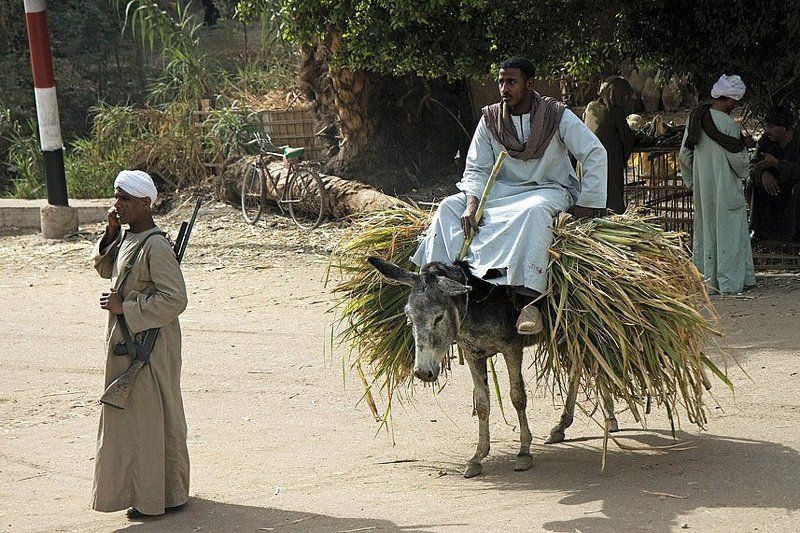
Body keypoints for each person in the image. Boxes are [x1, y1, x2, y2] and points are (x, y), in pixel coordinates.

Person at [412, 57, 607, 334]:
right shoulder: (490, 119)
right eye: (501, 82)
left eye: (512, 82)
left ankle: (530, 302)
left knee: (534, 212)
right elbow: (477, 168)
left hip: (547, 189)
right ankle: (432, 289)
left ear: (530, 84)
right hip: (500, 194)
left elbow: (594, 152)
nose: (504, 88)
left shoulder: (557, 115)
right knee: (447, 207)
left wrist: (587, 204)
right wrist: (471, 204)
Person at [92, 170, 190, 519]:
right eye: (116, 197)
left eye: (125, 199)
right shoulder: (128, 238)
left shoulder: (156, 245)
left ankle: (163, 496)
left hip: (150, 346)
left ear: (145, 203)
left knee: (152, 420)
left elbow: (175, 299)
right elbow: (106, 269)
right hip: (127, 343)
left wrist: (127, 309)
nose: (117, 205)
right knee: (134, 423)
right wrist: (110, 232)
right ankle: (148, 492)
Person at [679, 74, 756, 294]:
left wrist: (693, 181)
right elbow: (740, 164)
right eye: (735, 102)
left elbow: (685, 155)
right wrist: (746, 151)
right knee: (729, 235)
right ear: (730, 100)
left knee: (707, 232)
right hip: (726, 189)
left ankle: (708, 283)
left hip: (704, 191)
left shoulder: (694, 119)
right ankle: (730, 284)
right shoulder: (729, 124)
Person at [584, 75, 638, 214]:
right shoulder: (614, 112)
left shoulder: (591, 108)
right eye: (626, 97)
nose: (628, 101)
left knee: (593, 202)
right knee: (612, 203)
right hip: (608, 165)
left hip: (587, 164)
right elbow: (628, 138)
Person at [748, 105, 800, 242]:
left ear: (784, 127)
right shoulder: (765, 141)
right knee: (751, 183)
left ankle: (794, 236)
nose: (767, 131)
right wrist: (763, 174)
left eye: (771, 127)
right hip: (773, 189)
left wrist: (777, 164)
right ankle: (757, 231)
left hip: (793, 191)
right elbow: (752, 166)